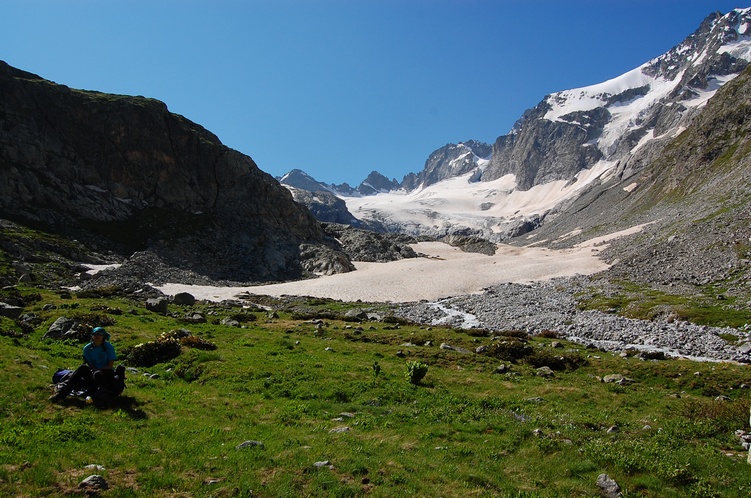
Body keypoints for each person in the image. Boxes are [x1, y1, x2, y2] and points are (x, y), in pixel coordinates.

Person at [50, 326, 124, 403]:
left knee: (98, 374)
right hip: (93, 372)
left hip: (106, 373)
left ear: (104, 336)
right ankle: (61, 393)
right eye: (95, 334)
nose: (97, 336)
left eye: (100, 334)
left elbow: (110, 366)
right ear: (92, 336)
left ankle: (102, 397)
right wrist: (93, 370)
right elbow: (90, 364)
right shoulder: (87, 348)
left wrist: (97, 370)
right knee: (83, 368)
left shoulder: (109, 348)